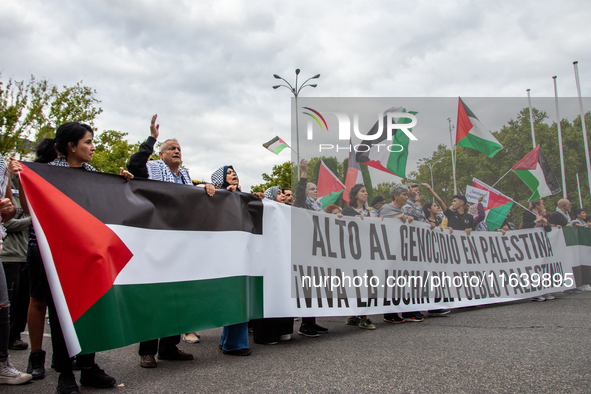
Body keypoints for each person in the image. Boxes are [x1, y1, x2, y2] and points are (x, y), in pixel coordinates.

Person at [11, 122, 129, 392]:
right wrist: (20, 178)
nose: (93, 147)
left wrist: (123, 185)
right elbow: (29, 209)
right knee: (54, 306)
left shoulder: (94, 176)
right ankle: (63, 371)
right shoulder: (46, 174)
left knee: (87, 306)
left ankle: (88, 367)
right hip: (49, 250)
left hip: (82, 253)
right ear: (71, 146)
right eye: (88, 142)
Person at [127, 114, 214, 368]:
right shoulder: (152, 168)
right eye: (171, 148)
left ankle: (169, 346)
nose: (176, 151)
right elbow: (134, 166)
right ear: (161, 154)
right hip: (155, 239)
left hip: (180, 243)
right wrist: (151, 139)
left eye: (178, 149)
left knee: (176, 295)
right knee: (154, 296)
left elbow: (195, 199)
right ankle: (147, 350)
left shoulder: (186, 176)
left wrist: (209, 187)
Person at [210, 165, 252, 356]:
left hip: (240, 249)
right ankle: (235, 344)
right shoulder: (218, 196)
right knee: (236, 294)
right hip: (226, 251)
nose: (233, 174)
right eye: (228, 172)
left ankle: (227, 340)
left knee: (238, 293)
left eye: (234, 172)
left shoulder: (240, 195)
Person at [0, 155, 31, 385]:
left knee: (9, 305)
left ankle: (3, 361)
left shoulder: (1, 165)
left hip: (19, 256)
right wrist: (32, 220)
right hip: (7, 256)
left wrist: (9, 208)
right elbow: (12, 224)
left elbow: (7, 217)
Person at [252, 186, 294, 344]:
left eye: (283, 193)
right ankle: (265, 334)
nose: (282, 195)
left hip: (283, 258)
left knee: (283, 291)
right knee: (269, 294)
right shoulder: (263, 209)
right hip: (267, 259)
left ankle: (283, 329)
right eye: (278, 193)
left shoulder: (288, 212)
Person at [293, 159, 329, 337]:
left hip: (318, 249)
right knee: (307, 286)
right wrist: (304, 173)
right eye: (312, 189)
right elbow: (299, 194)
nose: (316, 191)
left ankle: (312, 322)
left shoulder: (319, 208)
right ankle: (305, 325)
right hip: (305, 250)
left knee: (315, 286)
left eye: (316, 188)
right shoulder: (302, 204)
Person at [341, 183, 376, 329]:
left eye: (366, 191)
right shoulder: (347, 211)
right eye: (363, 191)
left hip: (368, 250)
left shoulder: (370, 212)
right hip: (353, 252)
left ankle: (352, 315)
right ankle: (362, 317)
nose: (366, 193)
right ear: (355, 195)